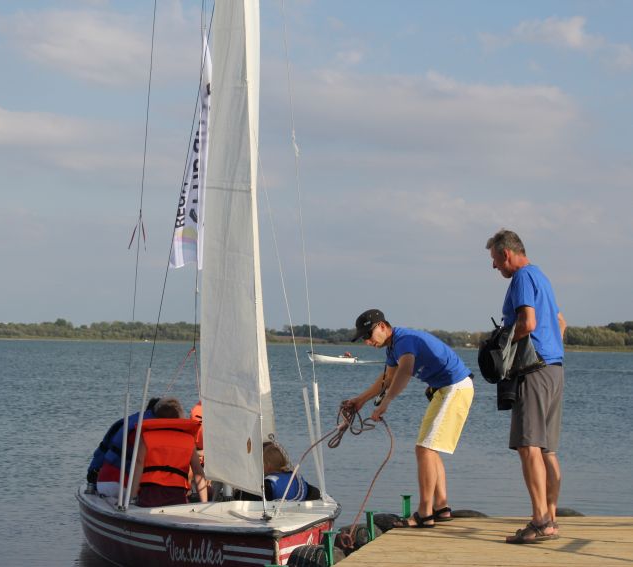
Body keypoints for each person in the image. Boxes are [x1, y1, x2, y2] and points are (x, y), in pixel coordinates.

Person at [342, 309, 474, 528]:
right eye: (363, 338)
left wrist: (386, 402)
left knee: (425, 449)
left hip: (455, 387)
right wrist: (360, 400)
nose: (367, 341)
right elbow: (387, 378)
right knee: (428, 448)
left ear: (382, 326)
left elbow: (405, 370)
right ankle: (441, 507)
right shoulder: (393, 348)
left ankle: (425, 513)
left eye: (368, 335)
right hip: (443, 390)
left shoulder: (404, 340)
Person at [486, 229, 566, 544]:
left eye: (495, 259)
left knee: (528, 445)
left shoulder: (521, 277)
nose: (494, 266)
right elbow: (560, 323)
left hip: (533, 370)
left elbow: (528, 323)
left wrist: (501, 343)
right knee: (547, 449)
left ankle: (540, 521)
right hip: (554, 368)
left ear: (506, 253)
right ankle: (551, 519)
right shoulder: (541, 277)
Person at [130, 397, 208, 507]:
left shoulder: (146, 437)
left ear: (157, 418)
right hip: (177, 493)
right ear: (178, 418)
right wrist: (204, 503)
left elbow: (138, 465)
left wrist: (132, 498)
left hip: (150, 492)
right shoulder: (188, 440)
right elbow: (198, 472)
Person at [91, 397, 159, 498]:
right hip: (128, 486)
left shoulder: (127, 421)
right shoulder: (153, 429)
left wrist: (91, 477)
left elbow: (102, 450)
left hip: (104, 482)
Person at [237, 441, 321, 502]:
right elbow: (316, 493)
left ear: (268, 465)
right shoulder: (296, 480)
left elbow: (245, 497)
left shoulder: (268, 485)